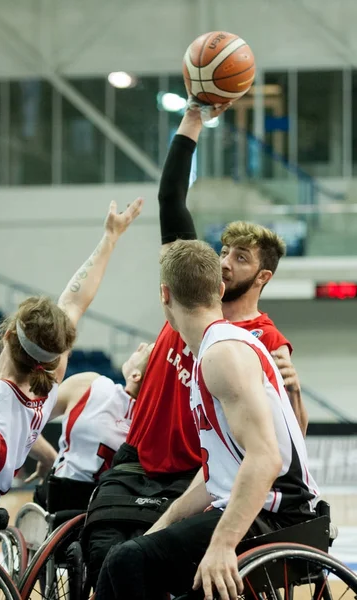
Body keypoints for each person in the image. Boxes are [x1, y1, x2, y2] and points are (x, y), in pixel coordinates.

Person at [82, 104, 306, 586]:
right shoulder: (199, 312)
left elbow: (272, 451)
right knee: (107, 552)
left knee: (127, 565)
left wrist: (223, 543)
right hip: (151, 459)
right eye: (222, 252)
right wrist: (193, 118)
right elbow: (171, 200)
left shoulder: (239, 343)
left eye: (238, 257)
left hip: (222, 486)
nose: (224, 263)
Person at [94, 239, 319, 600]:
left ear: (164, 295)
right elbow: (219, 468)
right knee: (135, 552)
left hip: (280, 516)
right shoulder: (217, 348)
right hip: (263, 507)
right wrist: (164, 522)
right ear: (218, 289)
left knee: (127, 561)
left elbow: (266, 458)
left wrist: (222, 544)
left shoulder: (221, 355)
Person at [0, 197, 142, 539]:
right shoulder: (51, 379)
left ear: (10, 333)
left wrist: (110, 236)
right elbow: (74, 300)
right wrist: (110, 238)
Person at [31, 342, 154, 514]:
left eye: (145, 350)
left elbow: (23, 421)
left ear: (135, 375)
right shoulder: (157, 425)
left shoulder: (90, 385)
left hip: (59, 498)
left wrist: (48, 458)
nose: (140, 345)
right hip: (110, 511)